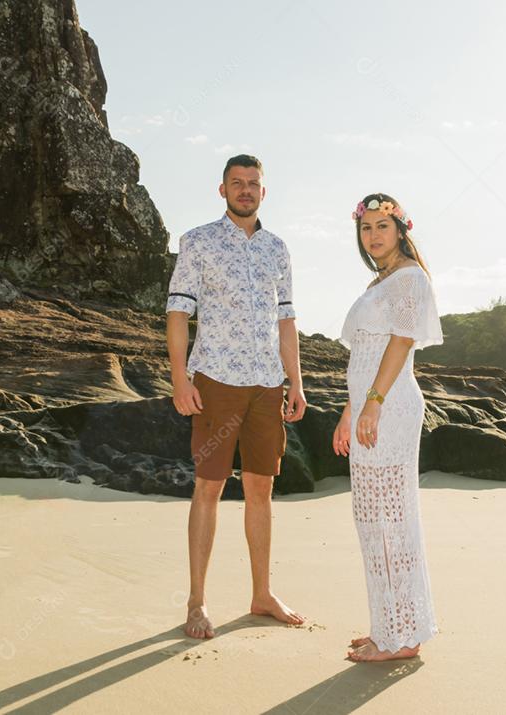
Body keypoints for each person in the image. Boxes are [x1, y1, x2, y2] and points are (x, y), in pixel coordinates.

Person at [165, 154, 308, 640]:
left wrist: (295, 381)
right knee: (208, 487)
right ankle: (197, 602)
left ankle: (261, 594)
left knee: (260, 490)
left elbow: (286, 320)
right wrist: (180, 378)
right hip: (216, 381)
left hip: (267, 384)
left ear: (263, 192)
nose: (245, 190)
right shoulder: (197, 241)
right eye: (237, 182)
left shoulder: (277, 249)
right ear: (222, 189)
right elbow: (178, 313)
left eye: (253, 183)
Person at [333, 193, 442, 662]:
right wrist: (349, 412)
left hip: (391, 407)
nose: (374, 235)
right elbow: (364, 355)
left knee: (393, 519)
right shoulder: (378, 282)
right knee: (371, 518)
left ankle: (404, 637)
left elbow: (400, 341)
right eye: (366, 227)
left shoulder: (410, 277)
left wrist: (373, 404)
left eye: (382, 225)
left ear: (400, 230)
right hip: (370, 407)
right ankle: (389, 626)